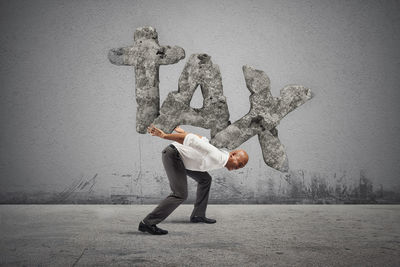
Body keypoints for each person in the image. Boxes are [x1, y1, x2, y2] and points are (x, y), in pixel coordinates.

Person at [138, 124, 249, 235]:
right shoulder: (218, 156)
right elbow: (191, 139)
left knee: (205, 179)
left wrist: (182, 132)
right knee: (180, 194)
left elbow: (201, 139)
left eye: (241, 167)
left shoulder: (222, 155)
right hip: (174, 156)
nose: (238, 167)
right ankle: (147, 223)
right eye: (239, 163)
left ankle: (198, 215)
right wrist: (164, 136)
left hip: (184, 161)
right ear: (233, 155)